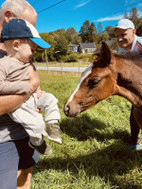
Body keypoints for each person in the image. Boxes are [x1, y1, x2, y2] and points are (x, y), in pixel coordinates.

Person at [0, 0, 61, 188]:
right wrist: (30, 88)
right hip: (4, 140)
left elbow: (34, 80)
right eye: (28, 26)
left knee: (26, 174)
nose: (31, 34)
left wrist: (36, 89)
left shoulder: (21, 52)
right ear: (8, 16)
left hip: (26, 133)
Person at [111, 18, 142, 151]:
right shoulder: (124, 49)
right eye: (117, 36)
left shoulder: (141, 44)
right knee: (135, 110)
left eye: (123, 35)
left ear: (134, 32)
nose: (120, 39)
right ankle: (133, 142)